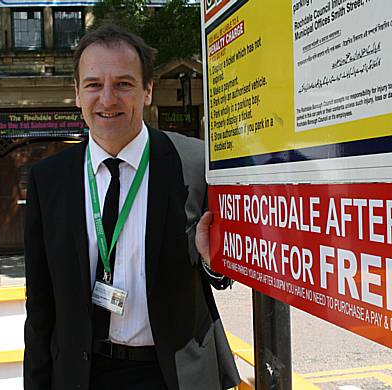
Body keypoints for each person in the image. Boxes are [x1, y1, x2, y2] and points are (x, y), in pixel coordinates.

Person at [23, 25, 240, 390]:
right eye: (93, 85)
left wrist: (213, 261)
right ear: (77, 93)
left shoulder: (193, 163)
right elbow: (40, 306)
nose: (108, 100)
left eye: (123, 84)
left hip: (174, 374)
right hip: (81, 376)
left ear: (148, 90)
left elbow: (220, 273)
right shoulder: (49, 180)